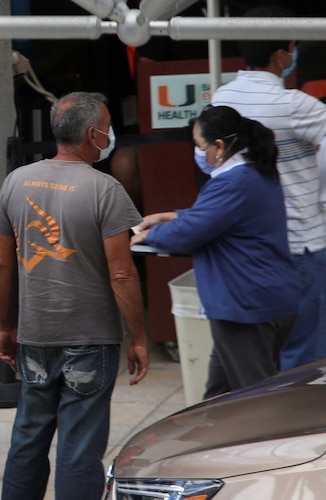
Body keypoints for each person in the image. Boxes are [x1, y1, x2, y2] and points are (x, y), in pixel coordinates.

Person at [0, 91, 149, 500]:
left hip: (36, 337)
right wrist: (138, 336)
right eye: (105, 126)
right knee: (80, 451)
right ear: (91, 135)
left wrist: (6, 327)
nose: (108, 135)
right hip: (90, 339)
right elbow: (122, 274)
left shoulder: (16, 182)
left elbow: (0, 261)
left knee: (28, 443)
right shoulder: (104, 190)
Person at [133, 106, 299, 398]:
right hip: (259, 298)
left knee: (256, 399)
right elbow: (213, 217)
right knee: (216, 397)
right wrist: (169, 216)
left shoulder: (233, 182)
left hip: (244, 306)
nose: (199, 153)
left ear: (219, 146)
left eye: (200, 146)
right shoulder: (255, 172)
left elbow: (191, 232)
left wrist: (150, 234)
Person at [211, 5, 326, 371]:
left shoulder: (221, 101)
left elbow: (208, 165)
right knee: (302, 360)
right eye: (291, 47)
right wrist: (320, 199)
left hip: (245, 250)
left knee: (253, 359)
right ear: (280, 55)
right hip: (300, 244)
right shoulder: (296, 105)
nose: (293, 55)